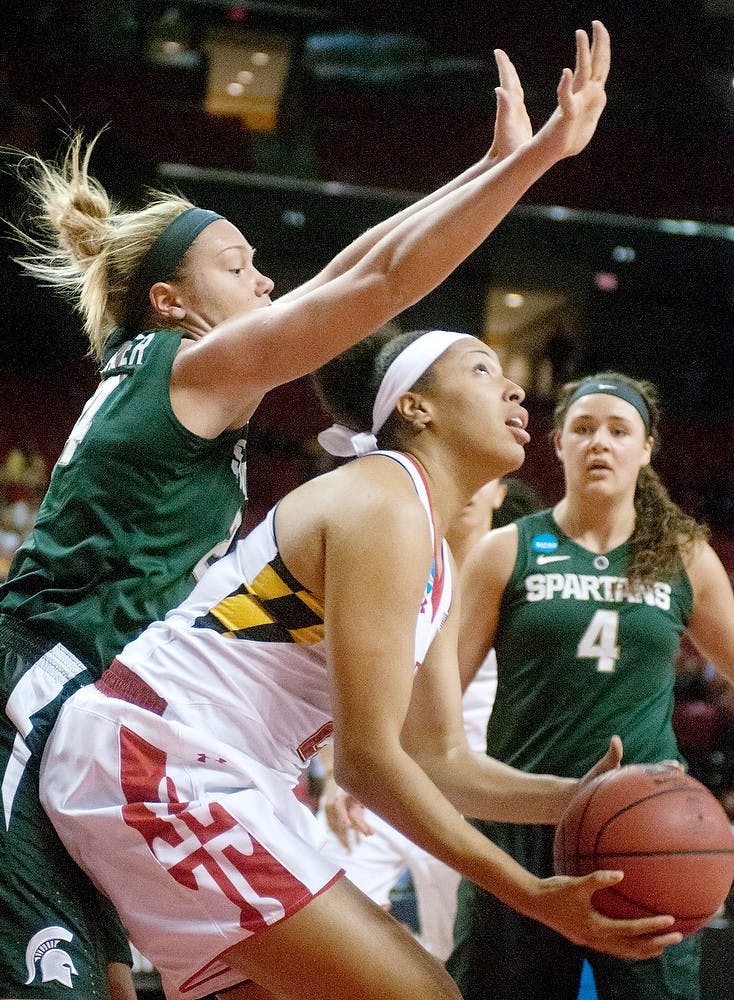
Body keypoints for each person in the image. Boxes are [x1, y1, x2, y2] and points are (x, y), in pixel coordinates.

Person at [0, 22, 615, 998]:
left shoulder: (188, 400)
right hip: (42, 701)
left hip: (122, 724)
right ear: (172, 301)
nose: (268, 281)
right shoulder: (185, 367)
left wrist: (487, 164)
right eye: (239, 267)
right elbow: (370, 287)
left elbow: (344, 279)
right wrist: (528, 163)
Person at [38, 328, 684, 1000]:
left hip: (209, 771)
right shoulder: (385, 502)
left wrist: (576, 798)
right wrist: (530, 894)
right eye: (483, 369)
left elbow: (440, 763)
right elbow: (368, 763)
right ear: (416, 407)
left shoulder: (428, 547)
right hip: (160, 761)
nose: (516, 387)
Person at [447, 370, 734, 1000]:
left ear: (646, 448)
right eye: (582, 428)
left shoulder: (683, 556)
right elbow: (434, 709)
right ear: (556, 444)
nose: (599, 442)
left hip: (648, 831)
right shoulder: (506, 549)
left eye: (617, 429)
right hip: (519, 821)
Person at [315, 477, 540, 961]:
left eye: (485, 481)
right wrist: (338, 768)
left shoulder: (524, 582)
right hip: (385, 778)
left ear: (501, 492)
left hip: (480, 794)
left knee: (454, 958)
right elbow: (341, 678)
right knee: (328, 933)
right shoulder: (397, 559)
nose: (472, 489)